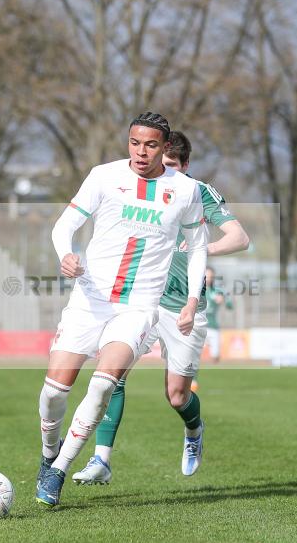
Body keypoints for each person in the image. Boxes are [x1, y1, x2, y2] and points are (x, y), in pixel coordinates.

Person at [36, 113, 208, 508]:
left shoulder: (185, 190)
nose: (141, 152)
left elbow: (197, 247)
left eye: (150, 145)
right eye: (134, 143)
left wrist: (191, 301)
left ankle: (58, 471)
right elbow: (64, 225)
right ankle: (49, 452)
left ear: (165, 147)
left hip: (138, 306)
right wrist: (66, 255)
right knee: (53, 392)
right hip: (90, 299)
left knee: (102, 384)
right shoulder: (103, 176)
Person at [72, 130, 249, 485]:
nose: (160, 170)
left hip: (184, 307)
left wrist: (199, 250)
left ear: (185, 166)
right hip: (141, 300)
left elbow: (240, 238)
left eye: (170, 165)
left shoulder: (197, 192)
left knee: (177, 394)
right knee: (112, 374)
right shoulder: (137, 186)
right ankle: (101, 461)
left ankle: (194, 431)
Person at [194, 266, 233, 389]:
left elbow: (230, 305)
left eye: (210, 276)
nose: (208, 278)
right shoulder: (196, 289)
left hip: (213, 327)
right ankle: (193, 381)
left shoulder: (218, 291)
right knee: (194, 355)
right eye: (206, 275)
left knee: (215, 357)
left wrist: (224, 301)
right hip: (199, 326)